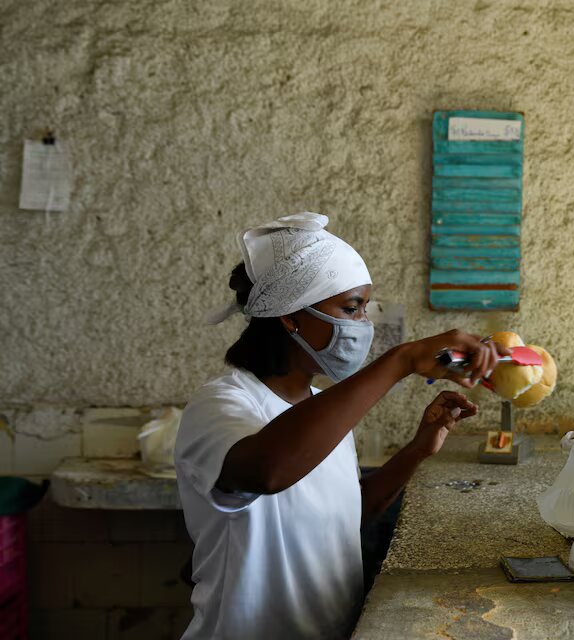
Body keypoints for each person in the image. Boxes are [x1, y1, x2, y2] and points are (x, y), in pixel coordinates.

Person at [174, 212, 507, 640]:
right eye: (351, 308)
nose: (362, 325)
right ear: (290, 316)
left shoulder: (320, 408)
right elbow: (266, 471)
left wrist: (416, 451)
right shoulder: (221, 404)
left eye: (365, 308)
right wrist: (401, 361)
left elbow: (348, 517)